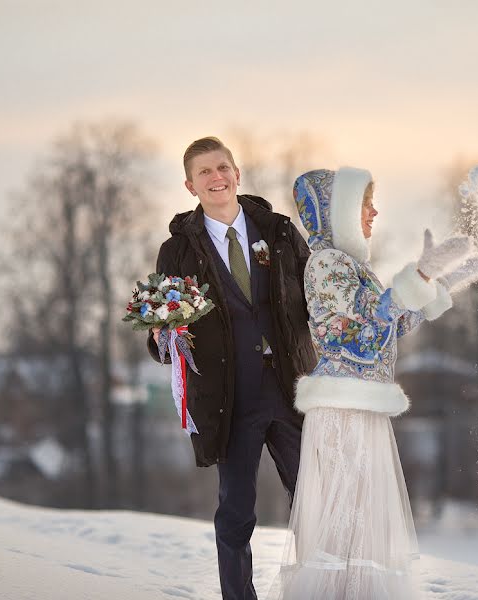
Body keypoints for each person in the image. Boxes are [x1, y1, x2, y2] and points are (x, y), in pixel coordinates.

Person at [270, 168, 478, 599]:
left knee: (361, 516)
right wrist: (417, 280)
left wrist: (437, 286)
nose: (374, 212)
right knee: (343, 516)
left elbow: (391, 323)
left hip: (362, 405)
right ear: (341, 213)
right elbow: (362, 327)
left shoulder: (354, 266)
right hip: (342, 408)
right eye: (365, 204)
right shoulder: (325, 263)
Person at [147, 137, 317, 600]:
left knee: (315, 500)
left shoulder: (280, 232)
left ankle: (325, 588)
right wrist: (165, 337)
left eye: (222, 167)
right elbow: (161, 328)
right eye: (204, 172)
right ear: (190, 185)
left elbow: (318, 300)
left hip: (293, 388)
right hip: (229, 397)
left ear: (238, 173)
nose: (215, 177)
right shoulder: (177, 251)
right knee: (236, 510)